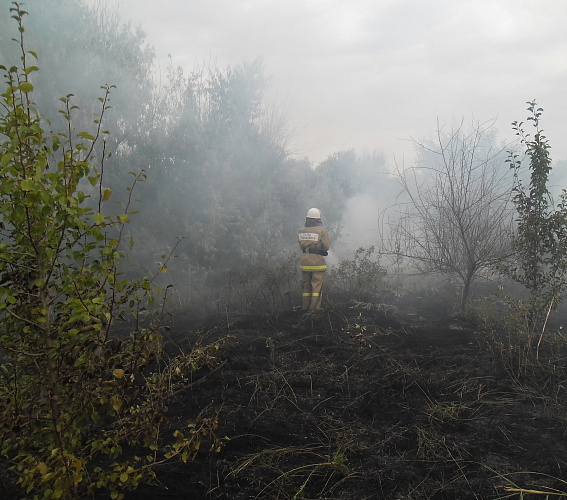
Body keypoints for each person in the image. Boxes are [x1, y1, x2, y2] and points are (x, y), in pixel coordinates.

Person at [297, 208, 331, 314]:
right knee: (316, 286)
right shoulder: (321, 231)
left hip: (305, 261)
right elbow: (326, 246)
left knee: (306, 286)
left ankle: (305, 308)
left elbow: (301, 245)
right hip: (317, 262)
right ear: (318, 219)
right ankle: (314, 310)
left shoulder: (301, 230)